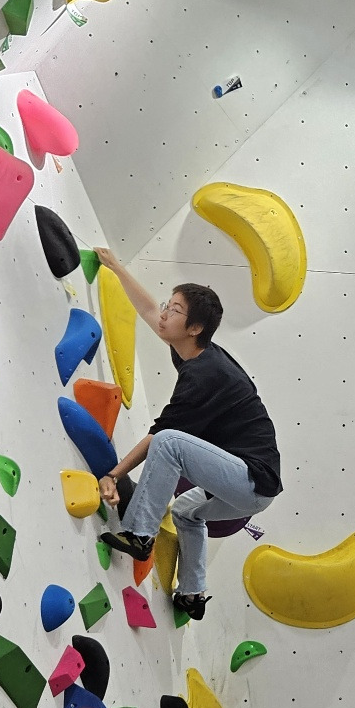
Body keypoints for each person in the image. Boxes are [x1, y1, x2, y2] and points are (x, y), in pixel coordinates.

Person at [93, 248, 283, 620]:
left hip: (249, 481)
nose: (165, 313)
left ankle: (140, 534)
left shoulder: (205, 374)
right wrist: (116, 267)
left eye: (175, 310)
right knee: (186, 511)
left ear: (194, 328)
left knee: (169, 441)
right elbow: (149, 310)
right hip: (254, 488)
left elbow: (160, 436)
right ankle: (192, 593)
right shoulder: (193, 349)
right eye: (170, 305)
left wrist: (113, 475)